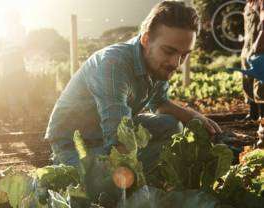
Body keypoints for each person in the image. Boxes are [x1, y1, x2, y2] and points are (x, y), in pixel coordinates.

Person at [45, 0, 222, 169]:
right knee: (103, 185)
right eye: (169, 51)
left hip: (107, 133)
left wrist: (193, 116)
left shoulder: (156, 65)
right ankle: (65, 169)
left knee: (172, 125)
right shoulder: (114, 64)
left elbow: (159, 103)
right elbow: (118, 139)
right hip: (75, 144)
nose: (176, 63)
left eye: (185, 54)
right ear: (146, 40)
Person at [241, 0, 264, 121]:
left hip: (259, 47)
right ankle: (253, 114)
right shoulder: (247, 5)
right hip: (247, 47)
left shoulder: (261, 3)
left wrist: (257, 43)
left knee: (259, 84)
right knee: (247, 81)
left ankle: (262, 116)